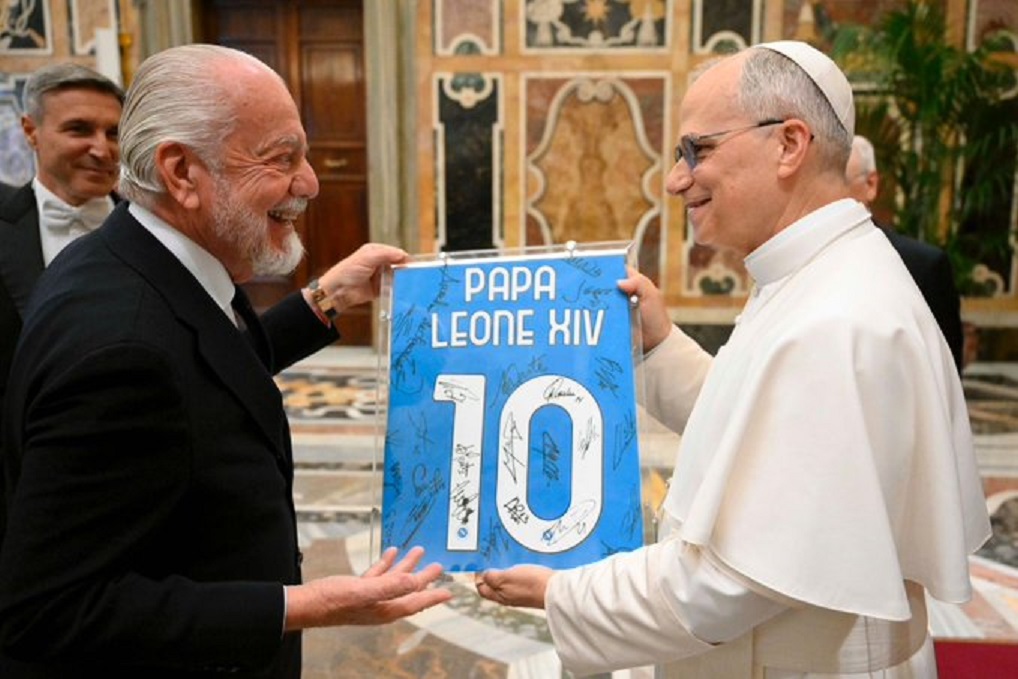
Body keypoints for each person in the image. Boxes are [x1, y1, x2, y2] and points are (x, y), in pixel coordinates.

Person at [476, 41, 990, 677]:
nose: (676, 179)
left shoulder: (836, 317)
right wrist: (659, 345)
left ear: (789, 144)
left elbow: (729, 583)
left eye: (699, 149)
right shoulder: (818, 274)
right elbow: (768, 433)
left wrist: (561, 592)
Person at [0, 44, 450, 677]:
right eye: (282, 158)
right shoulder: (122, 351)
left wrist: (327, 298)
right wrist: (304, 605)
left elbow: (207, 372)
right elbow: (50, 610)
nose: (310, 183)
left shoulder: (142, 256)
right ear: (183, 172)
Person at [0, 63, 123, 414]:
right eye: (79, 129)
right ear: (31, 131)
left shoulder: (158, 228)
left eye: (113, 133)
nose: (102, 150)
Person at [847, 134, 965, 372]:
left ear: (871, 184)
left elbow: (945, 370)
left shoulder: (923, 266)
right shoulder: (796, 261)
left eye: (838, 181)